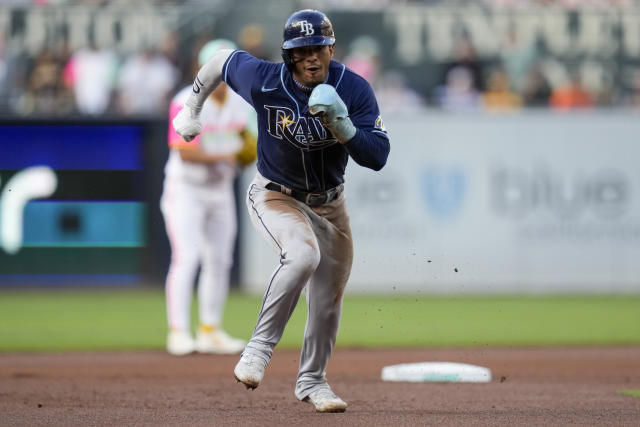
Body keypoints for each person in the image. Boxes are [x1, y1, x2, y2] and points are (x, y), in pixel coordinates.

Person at [172, 9, 390, 413]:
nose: (312, 58)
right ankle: (259, 348)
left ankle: (312, 381)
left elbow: (377, 156)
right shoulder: (266, 79)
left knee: (327, 299)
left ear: (331, 49)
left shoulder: (352, 87)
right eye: (302, 50)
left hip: (330, 203)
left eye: (319, 49)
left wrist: (343, 126)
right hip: (276, 194)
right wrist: (193, 108)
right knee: (302, 255)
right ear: (288, 55)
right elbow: (220, 62)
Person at [161, 39, 257, 356]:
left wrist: (248, 153)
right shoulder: (183, 100)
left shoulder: (242, 102)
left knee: (220, 261)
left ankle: (209, 330)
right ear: (201, 69)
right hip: (185, 189)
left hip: (220, 190)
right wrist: (229, 155)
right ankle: (178, 332)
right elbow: (184, 152)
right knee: (187, 257)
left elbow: (247, 144)